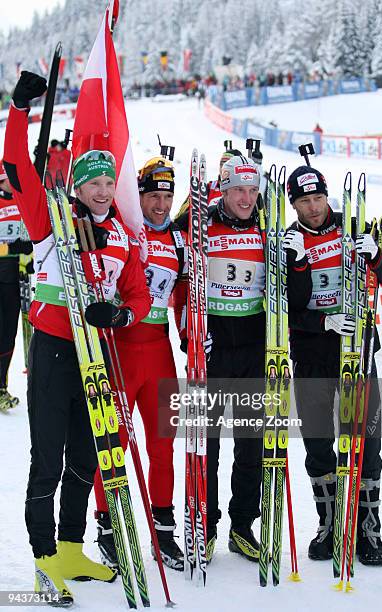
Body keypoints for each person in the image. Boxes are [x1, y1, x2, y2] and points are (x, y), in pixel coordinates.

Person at [3, 71, 151, 605]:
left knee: (89, 456)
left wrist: (121, 318)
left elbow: (139, 297)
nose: (103, 191)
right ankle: (43, 553)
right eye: (94, 183)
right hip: (52, 349)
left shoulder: (122, 238)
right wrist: (19, 111)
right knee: (48, 455)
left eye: (109, 183)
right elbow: (17, 168)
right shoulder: (51, 220)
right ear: (77, 186)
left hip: (99, 357)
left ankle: (70, 544)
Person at [283, 164, 382, 566]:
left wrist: (378, 257)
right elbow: (283, 310)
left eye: (318, 198)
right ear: (294, 204)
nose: (314, 207)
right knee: (318, 445)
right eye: (304, 201)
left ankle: (369, 529)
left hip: (356, 352)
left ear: (327, 196)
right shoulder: (287, 241)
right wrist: (322, 317)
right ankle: (330, 524)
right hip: (313, 356)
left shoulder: (356, 227)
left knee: (365, 443)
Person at [202, 155, 309, 562]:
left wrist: (294, 260)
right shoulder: (201, 226)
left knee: (250, 445)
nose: (245, 198)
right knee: (205, 446)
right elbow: (180, 289)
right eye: (237, 190)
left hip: (253, 351)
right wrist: (190, 337)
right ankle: (203, 525)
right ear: (223, 191)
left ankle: (242, 525)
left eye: (252, 190)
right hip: (211, 354)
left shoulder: (269, 229)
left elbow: (290, 296)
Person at [93, 155, 187, 572]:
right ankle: (109, 524)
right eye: (152, 196)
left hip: (159, 350)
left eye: (167, 197)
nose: (161, 205)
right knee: (110, 443)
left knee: (162, 446)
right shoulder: (126, 232)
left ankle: (162, 528)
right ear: (139, 196)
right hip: (120, 347)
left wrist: (191, 334)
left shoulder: (180, 242)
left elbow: (184, 295)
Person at [0, 158, 33, 411]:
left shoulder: (24, 201)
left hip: (15, 280)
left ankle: (1, 386)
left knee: (7, 335)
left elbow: (32, 239)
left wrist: (29, 256)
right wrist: (12, 248)